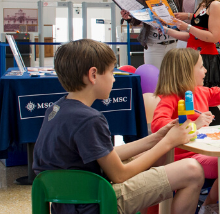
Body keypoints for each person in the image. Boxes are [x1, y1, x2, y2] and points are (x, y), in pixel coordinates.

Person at [32, 39, 203, 214]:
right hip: (97, 202)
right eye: (112, 72)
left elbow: (105, 154)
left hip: (70, 204)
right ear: (93, 75)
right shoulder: (89, 119)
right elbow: (119, 175)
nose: (114, 78)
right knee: (192, 170)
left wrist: (157, 137)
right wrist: (167, 143)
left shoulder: (57, 109)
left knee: (155, 157)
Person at [152, 48, 220, 210]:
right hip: (184, 159)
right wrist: (193, 125)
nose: (206, 70)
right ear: (186, 72)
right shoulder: (170, 97)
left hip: (202, 153)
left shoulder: (201, 92)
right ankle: (209, 207)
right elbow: (158, 125)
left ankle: (214, 205)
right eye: (201, 67)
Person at [164, 0, 220, 126]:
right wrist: (167, 30)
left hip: (207, 59)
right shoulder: (202, 5)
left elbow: (214, 36)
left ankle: (215, 130)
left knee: (208, 103)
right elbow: (194, 36)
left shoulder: (215, 5)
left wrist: (187, 27)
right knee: (196, 101)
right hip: (195, 57)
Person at [119, 0, 183, 70]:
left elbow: (181, 18)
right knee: (155, 80)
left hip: (174, 44)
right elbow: (138, 19)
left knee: (173, 80)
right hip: (153, 46)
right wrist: (129, 18)